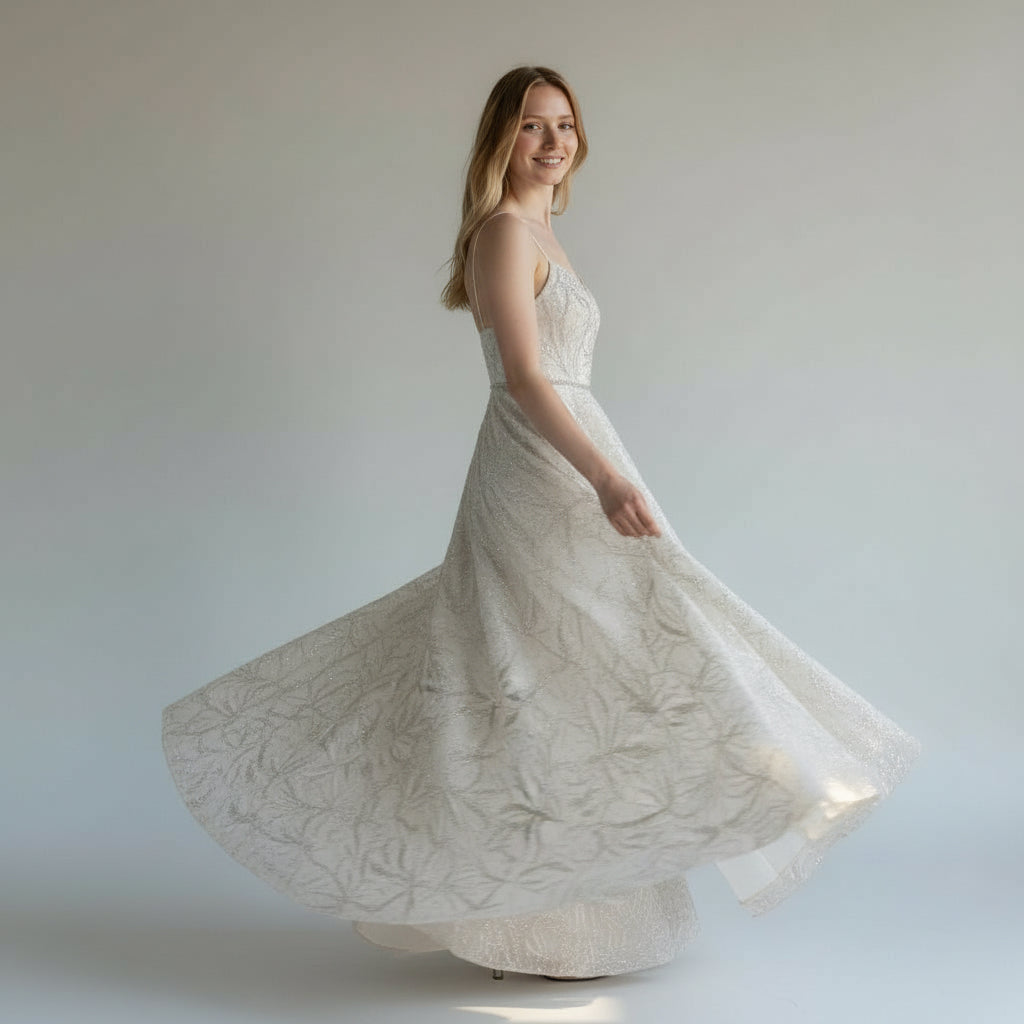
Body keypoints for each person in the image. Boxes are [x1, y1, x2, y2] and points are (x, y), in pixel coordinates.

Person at [161, 65, 921, 982]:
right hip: (540, 465)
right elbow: (524, 375)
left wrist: (606, 468)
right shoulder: (502, 233)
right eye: (532, 125)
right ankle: (524, 911)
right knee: (529, 671)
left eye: (564, 124)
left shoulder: (544, 233)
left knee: (592, 667)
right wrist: (602, 476)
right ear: (500, 139)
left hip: (577, 452)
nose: (554, 141)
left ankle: (592, 903)